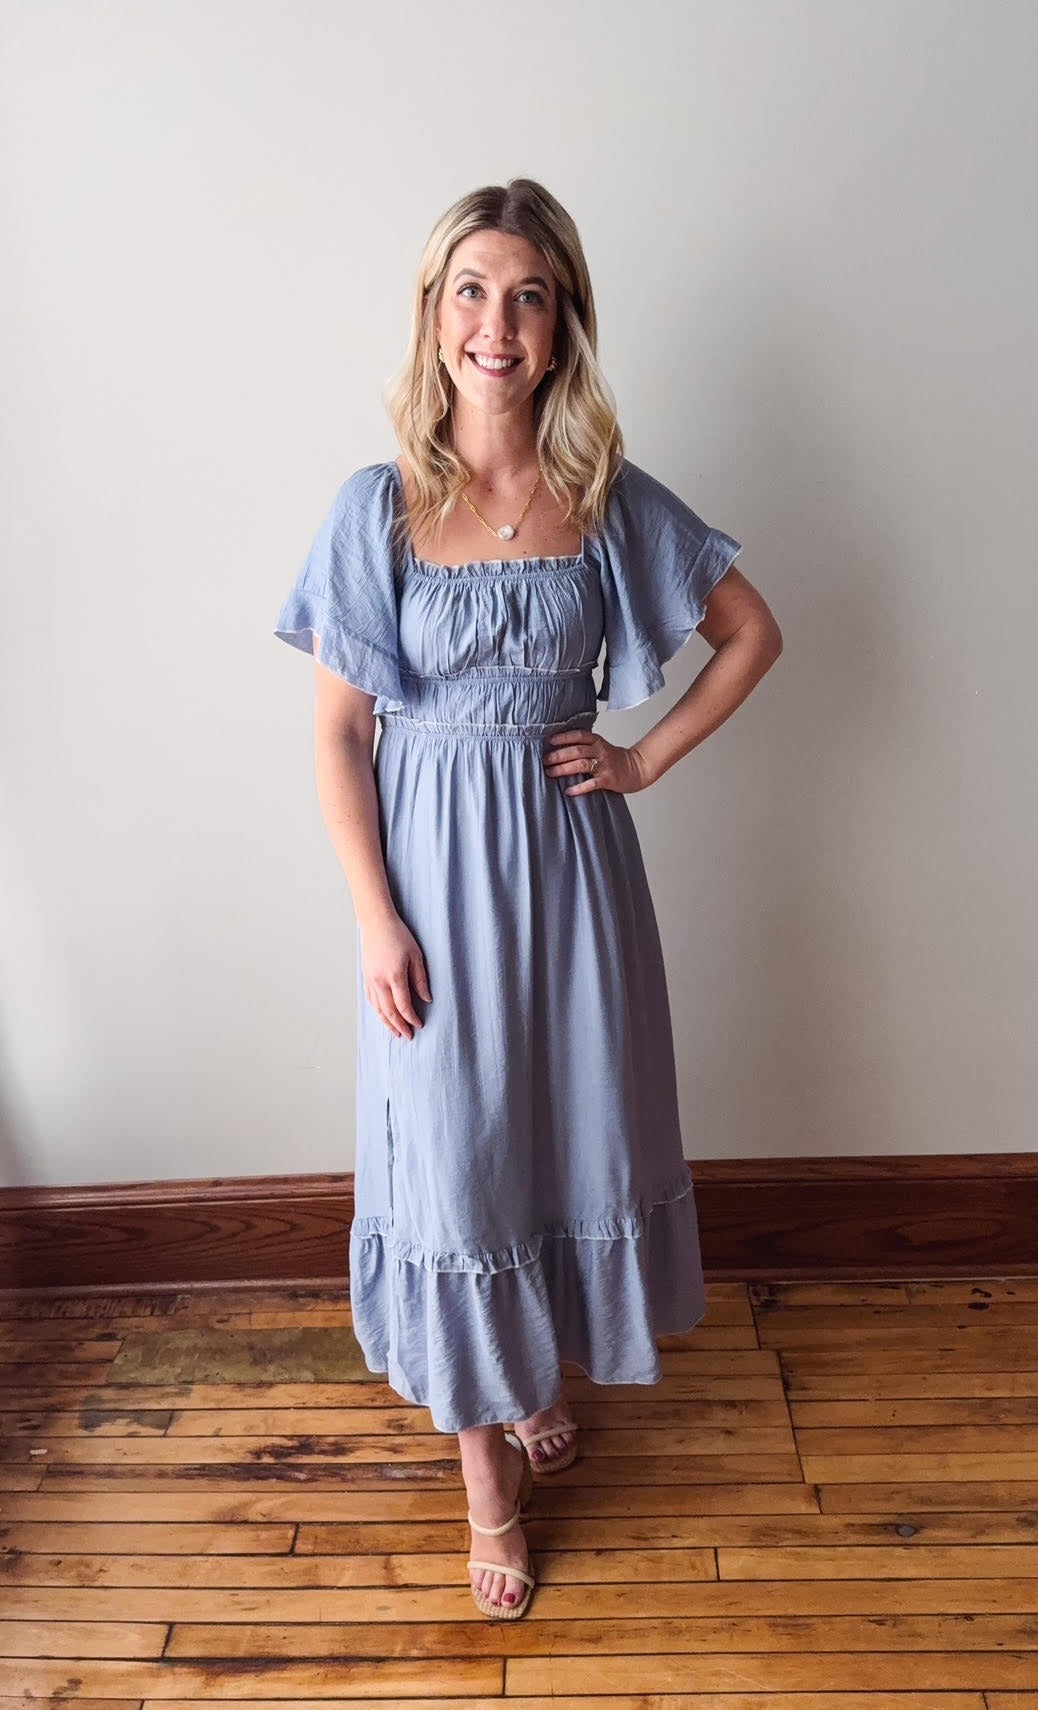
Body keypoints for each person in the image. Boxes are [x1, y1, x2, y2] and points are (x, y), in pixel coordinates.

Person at [274, 177, 782, 1621]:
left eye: (528, 296)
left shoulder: (606, 498)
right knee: (449, 1154)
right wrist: (375, 916)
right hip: (427, 884)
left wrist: (642, 756)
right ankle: (487, 1476)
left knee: (559, 1132)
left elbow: (750, 632)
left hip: (571, 878)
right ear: (435, 319)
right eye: (471, 292)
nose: (497, 323)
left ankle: (525, 1371)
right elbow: (332, 732)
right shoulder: (375, 508)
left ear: (561, 325)